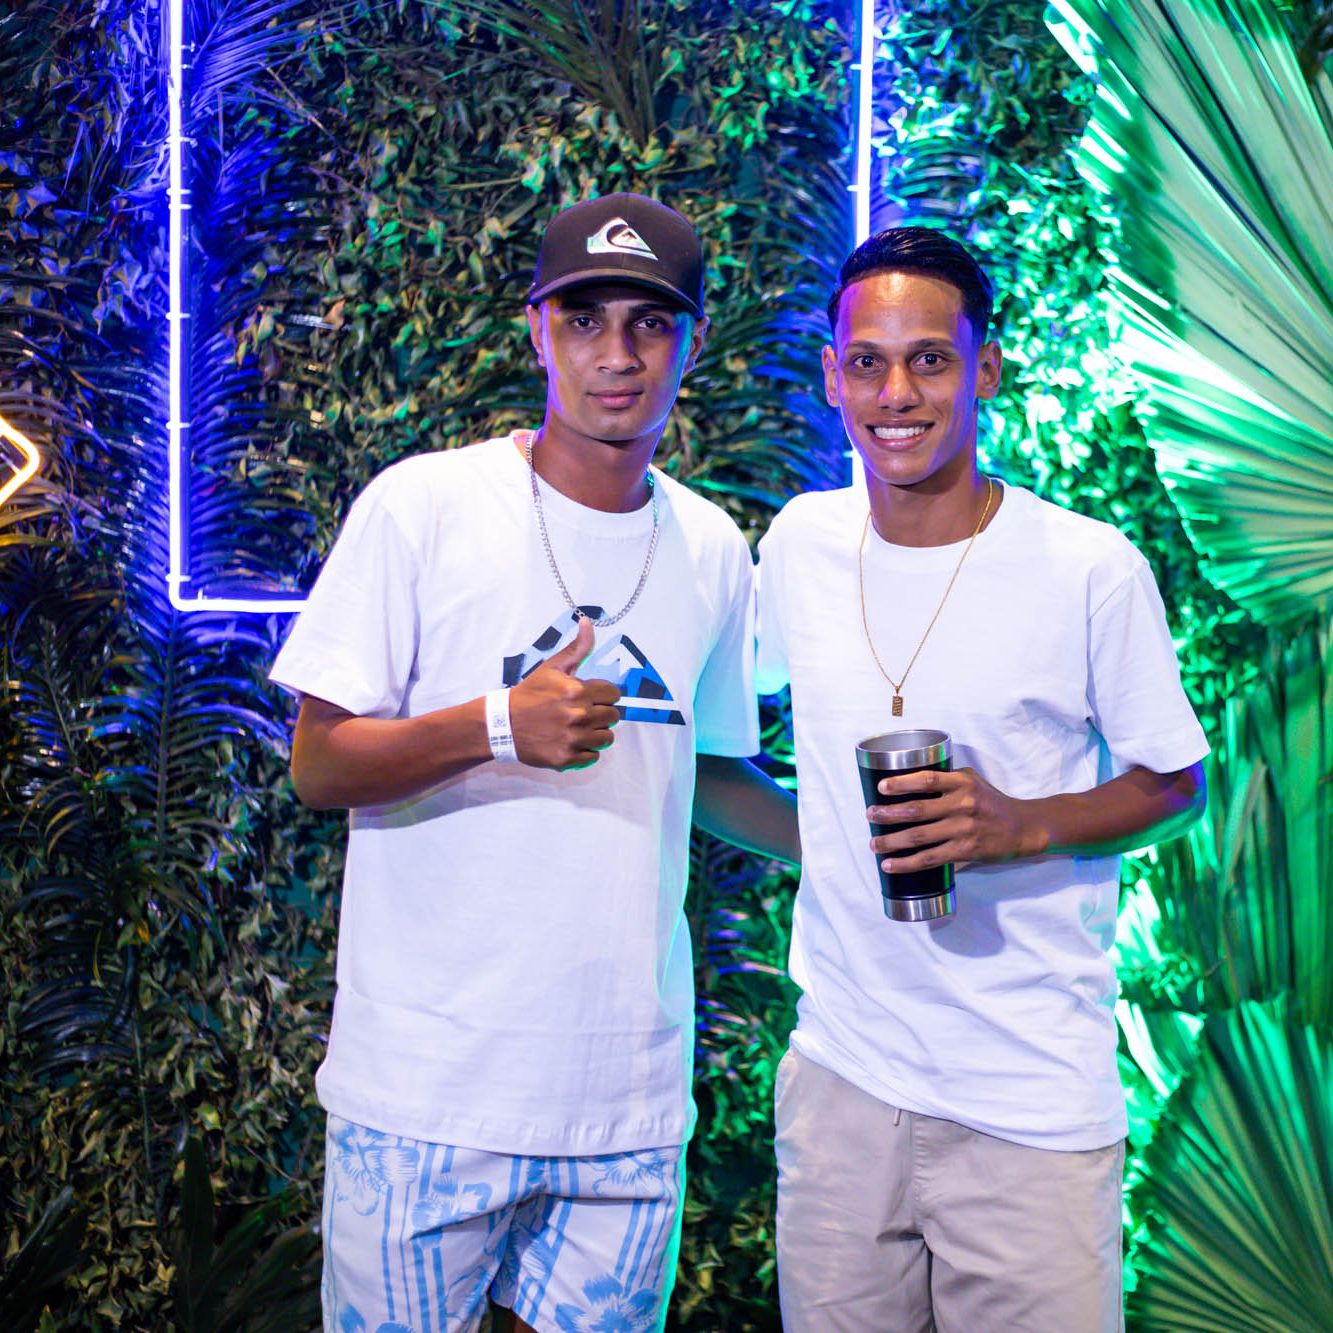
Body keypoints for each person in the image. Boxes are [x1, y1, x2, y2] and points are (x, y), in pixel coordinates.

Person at [270, 192, 797, 1333]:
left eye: (650, 324)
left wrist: (855, 836)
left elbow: (704, 769)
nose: (618, 354)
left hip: (625, 1106)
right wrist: (498, 725)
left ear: (693, 341)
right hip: (426, 1094)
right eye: (584, 319)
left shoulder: (712, 546)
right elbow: (319, 762)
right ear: (537, 331)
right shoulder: (423, 506)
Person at [755, 226, 1210, 1331]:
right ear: (832, 376)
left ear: (985, 369)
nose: (896, 394)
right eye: (868, 362)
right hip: (841, 1084)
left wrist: (1020, 826)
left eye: (930, 359)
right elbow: (719, 722)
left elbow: (1176, 782)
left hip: (1026, 1100)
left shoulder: (1087, 566)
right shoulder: (800, 544)